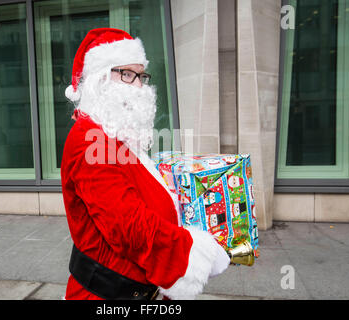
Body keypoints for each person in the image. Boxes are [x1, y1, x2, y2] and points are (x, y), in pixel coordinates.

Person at [60, 28, 230, 300]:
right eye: (126, 74)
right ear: (99, 80)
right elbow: (128, 227)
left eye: (141, 75)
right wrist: (195, 253)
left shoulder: (116, 134)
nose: (138, 86)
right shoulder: (88, 139)